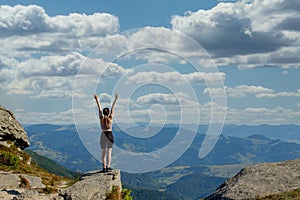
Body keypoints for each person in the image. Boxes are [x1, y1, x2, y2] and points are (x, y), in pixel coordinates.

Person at [94, 93, 118, 172]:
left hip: (103, 135)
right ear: (108, 113)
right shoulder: (110, 118)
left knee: (103, 152)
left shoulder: (101, 118)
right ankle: (108, 166)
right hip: (110, 135)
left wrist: (97, 100)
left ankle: (104, 167)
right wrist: (115, 99)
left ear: (104, 113)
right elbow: (113, 108)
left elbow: (99, 109)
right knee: (109, 152)